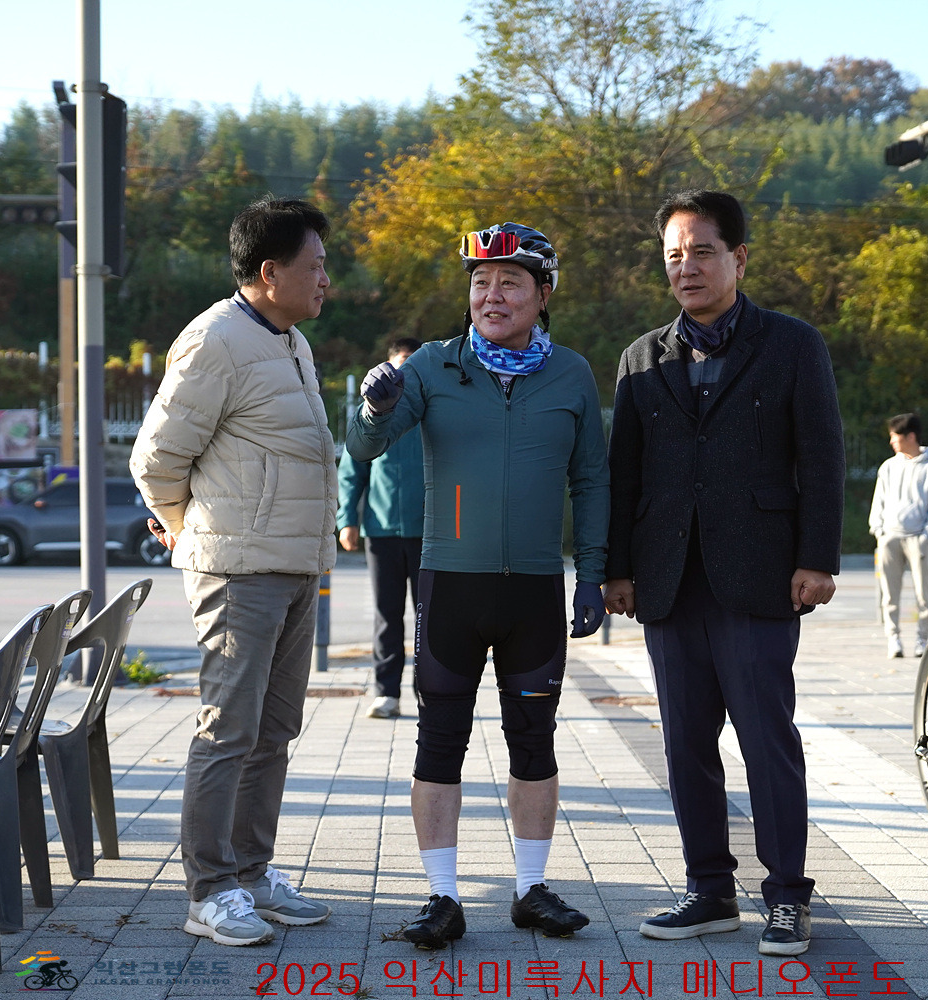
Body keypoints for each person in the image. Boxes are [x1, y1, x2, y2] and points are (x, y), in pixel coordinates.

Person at [348, 222, 608, 949]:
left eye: (510, 283)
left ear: (543, 294)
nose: (491, 295)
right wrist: (373, 407)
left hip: (534, 591)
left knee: (535, 740)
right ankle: (443, 897)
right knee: (439, 740)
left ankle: (531, 890)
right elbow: (366, 446)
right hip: (450, 588)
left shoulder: (572, 374)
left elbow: (592, 480)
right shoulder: (434, 365)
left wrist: (591, 574)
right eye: (480, 283)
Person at [604, 190, 845, 957]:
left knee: (766, 740)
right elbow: (623, 474)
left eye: (702, 251)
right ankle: (708, 890)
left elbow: (822, 456)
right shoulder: (642, 358)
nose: (687, 267)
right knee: (684, 744)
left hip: (761, 576)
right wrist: (616, 569)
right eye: (674, 255)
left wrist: (818, 558)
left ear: (738, 258)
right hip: (669, 579)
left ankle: (787, 897)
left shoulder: (792, 344)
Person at [131, 198, 336, 947]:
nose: (326, 280)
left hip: (296, 565)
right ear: (270, 272)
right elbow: (155, 459)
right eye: (315, 267)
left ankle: (252, 872)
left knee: (274, 731)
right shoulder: (215, 339)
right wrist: (190, 531)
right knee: (227, 731)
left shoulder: (290, 341)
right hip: (239, 570)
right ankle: (210, 890)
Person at [337, 337, 425, 719]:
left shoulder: (432, 409)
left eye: (413, 364)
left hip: (431, 533)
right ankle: (386, 693)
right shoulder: (371, 412)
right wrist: (347, 520)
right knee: (387, 616)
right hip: (382, 531)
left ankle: (430, 692)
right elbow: (351, 471)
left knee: (430, 618)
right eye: (399, 364)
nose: (405, 372)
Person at [868, 412, 928, 660]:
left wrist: (927, 533)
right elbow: (878, 500)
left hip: (918, 538)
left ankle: (922, 639)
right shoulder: (888, 467)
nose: (892, 442)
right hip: (890, 536)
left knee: (923, 593)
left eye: (895, 437)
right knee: (889, 592)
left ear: (910, 436)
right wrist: (879, 530)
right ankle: (893, 637)